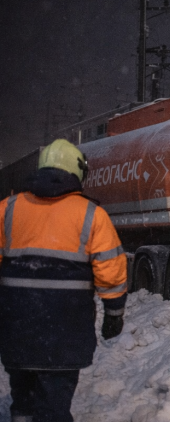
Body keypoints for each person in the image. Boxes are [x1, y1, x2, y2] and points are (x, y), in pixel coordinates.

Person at [0, 139, 127, 422]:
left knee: (22, 402)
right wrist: (114, 314)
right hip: (65, 331)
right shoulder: (92, 215)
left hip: (16, 327)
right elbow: (111, 270)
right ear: (78, 171)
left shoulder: (7, 209)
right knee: (54, 406)